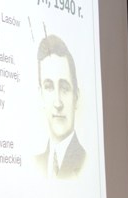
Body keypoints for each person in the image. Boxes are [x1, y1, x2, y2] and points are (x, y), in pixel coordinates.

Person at [35, 34, 86, 179]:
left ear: (76, 96)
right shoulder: (37, 163)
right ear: (41, 95)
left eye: (64, 88)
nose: (58, 103)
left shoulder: (85, 162)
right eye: (49, 87)